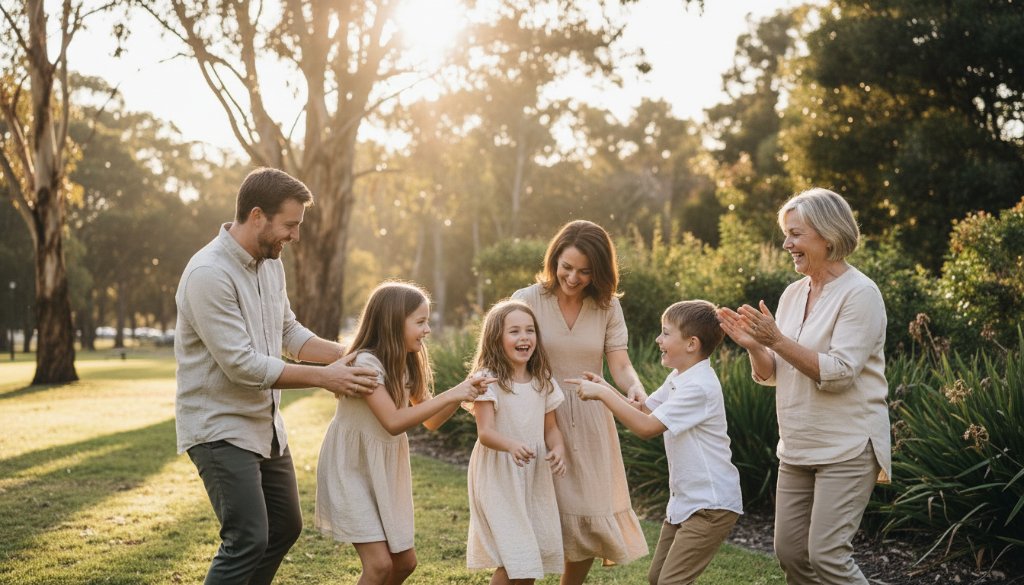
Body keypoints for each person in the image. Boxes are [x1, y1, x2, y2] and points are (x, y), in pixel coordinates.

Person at [174, 167, 380, 585]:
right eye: (290, 225)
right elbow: (242, 365)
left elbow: (288, 332)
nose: (295, 236)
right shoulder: (208, 274)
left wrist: (353, 356)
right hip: (219, 426)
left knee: (285, 526)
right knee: (247, 537)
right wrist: (325, 379)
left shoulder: (270, 263)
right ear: (256, 216)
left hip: (265, 426)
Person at [717, 188, 891, 585]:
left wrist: (775, 339)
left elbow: (840, 371)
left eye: (796, 234)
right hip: (798, 444)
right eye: (786, 234)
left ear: (828, 236)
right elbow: (778, 371)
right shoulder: (793, 294)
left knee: (828, 556)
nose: (786, 243)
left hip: (847, 444)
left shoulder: (861, 294)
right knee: (792, 552)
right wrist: (755, 346)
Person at [314, 281, 494, 585]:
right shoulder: (366, 363)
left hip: (384, 470)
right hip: (351, 467)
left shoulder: (407, 362)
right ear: (393, 322)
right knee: (380, 566)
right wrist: (452, 393)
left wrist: (466, 393)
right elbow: (393, 421)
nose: (427, 330)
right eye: (420, 322)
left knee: (405, 562)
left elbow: (431, 421)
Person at [511, 219, 648, 583]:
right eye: (566, 267)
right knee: (535, 516)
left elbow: (620, 363)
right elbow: (507, 358)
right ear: (554, 259)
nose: (572, 278)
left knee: (586, 516)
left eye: (585, 272)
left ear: (600, 272)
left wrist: (634, 387)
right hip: (538, 416)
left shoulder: (606, 307)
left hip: (590, 419)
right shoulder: (526, 300)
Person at [571, 300, 743, 585]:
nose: (658, 339)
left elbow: (647, 428)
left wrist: (603, 396)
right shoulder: (680, 377)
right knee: (657, 578)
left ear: (691, 344)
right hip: (686, 501)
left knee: (669, 582)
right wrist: (606, 386)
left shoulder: (699, 387)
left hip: (710, 506)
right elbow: (648, 410)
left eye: (665, 333)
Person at [464, 299, 568, 585]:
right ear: (496, 338)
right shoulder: (488, 381)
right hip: (498, 473)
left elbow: (551, 428)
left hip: (532, 475)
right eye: (514, 332)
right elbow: (485, 432)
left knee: (528, 559)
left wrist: (557, 448)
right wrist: (510, 445)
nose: (524, 337)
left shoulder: (542, 380)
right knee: (517, 557)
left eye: (530, 330)